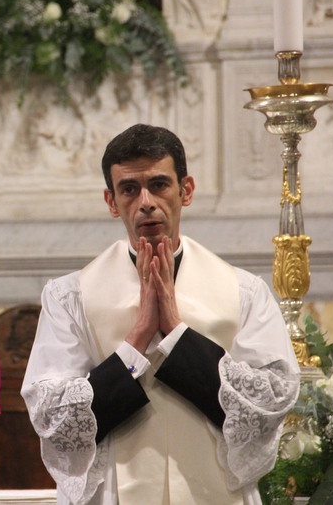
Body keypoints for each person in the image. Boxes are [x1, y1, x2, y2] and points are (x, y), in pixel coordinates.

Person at [22, 124, 300, 505]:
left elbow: (270, 402)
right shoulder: (69, 297)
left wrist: (175, 332)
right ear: (110, 200)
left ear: (186, 190)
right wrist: (138, 338)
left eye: (159, 184)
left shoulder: (245, 292)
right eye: (130, 189)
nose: (146, 202)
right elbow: (54, 418)